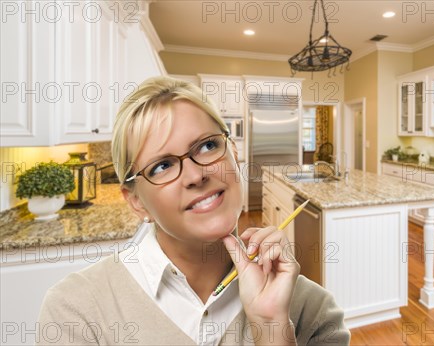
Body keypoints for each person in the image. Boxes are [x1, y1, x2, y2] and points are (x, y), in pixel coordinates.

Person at [37, 76, 350, 345]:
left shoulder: (314, 312)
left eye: (207, 146)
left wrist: (272, 330)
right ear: (136, 202)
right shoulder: (76, 311)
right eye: (162, 166)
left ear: (234, 153)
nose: (196, 175)